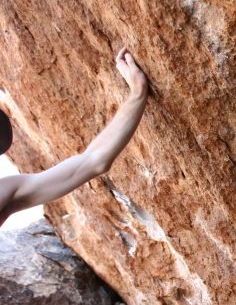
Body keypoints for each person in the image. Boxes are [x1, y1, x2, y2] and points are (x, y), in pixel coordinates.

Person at [0, 47, 148, 228]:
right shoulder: (7, 191)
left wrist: (137, 93)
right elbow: (92, 162)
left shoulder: (8, 191)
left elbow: (93, 161)